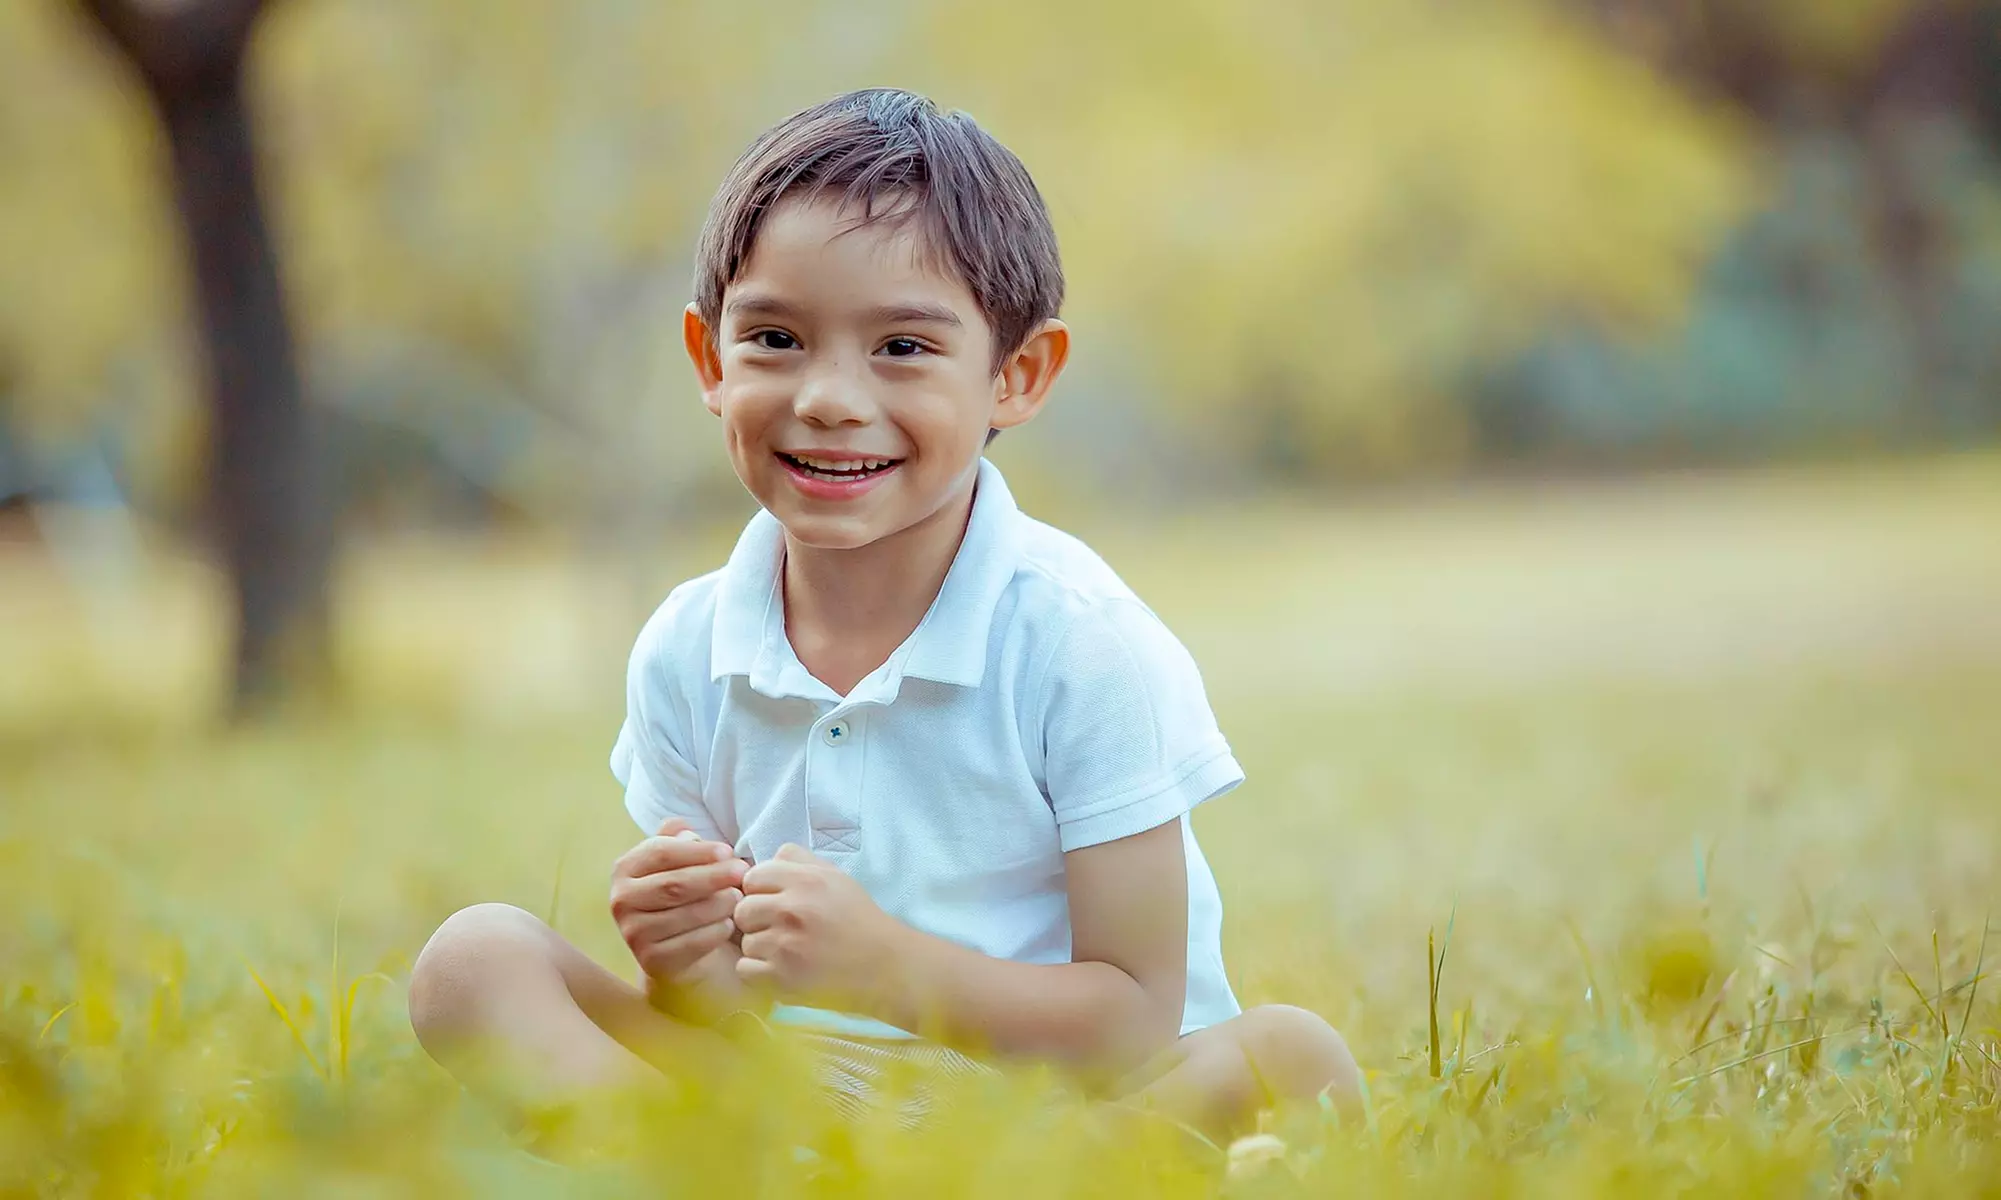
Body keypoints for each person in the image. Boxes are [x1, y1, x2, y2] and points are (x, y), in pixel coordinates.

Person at [408, 87, 1360, 1141]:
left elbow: (1138, 1016)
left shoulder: (1080, 643)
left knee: (1290, 1059)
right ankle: (739, 1169)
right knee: (474, 961)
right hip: (791, 1100)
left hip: (1048, 1111)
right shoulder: (689, 647)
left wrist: (890, 970)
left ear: (1017, 375)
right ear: (711, 364)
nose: (828, 397)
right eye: (775, 337)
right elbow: (724, 1022)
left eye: (902, 347)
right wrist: (683, 959)